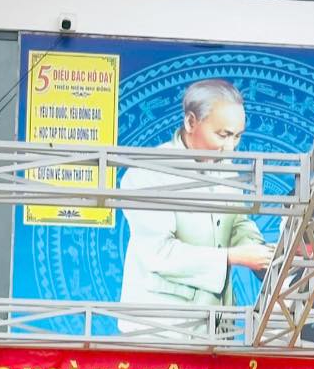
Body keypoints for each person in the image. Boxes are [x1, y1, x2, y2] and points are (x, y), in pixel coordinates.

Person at [117, 79, 273, 331]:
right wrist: (233, 257)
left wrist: (260, 250)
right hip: (160, 328)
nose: (231, 148)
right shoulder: (146, 174)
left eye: (237, 137)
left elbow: (236, 221)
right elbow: (159, 253)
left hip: (215, 327)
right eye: (223, 135)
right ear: (191, 122)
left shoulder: (226, 167)